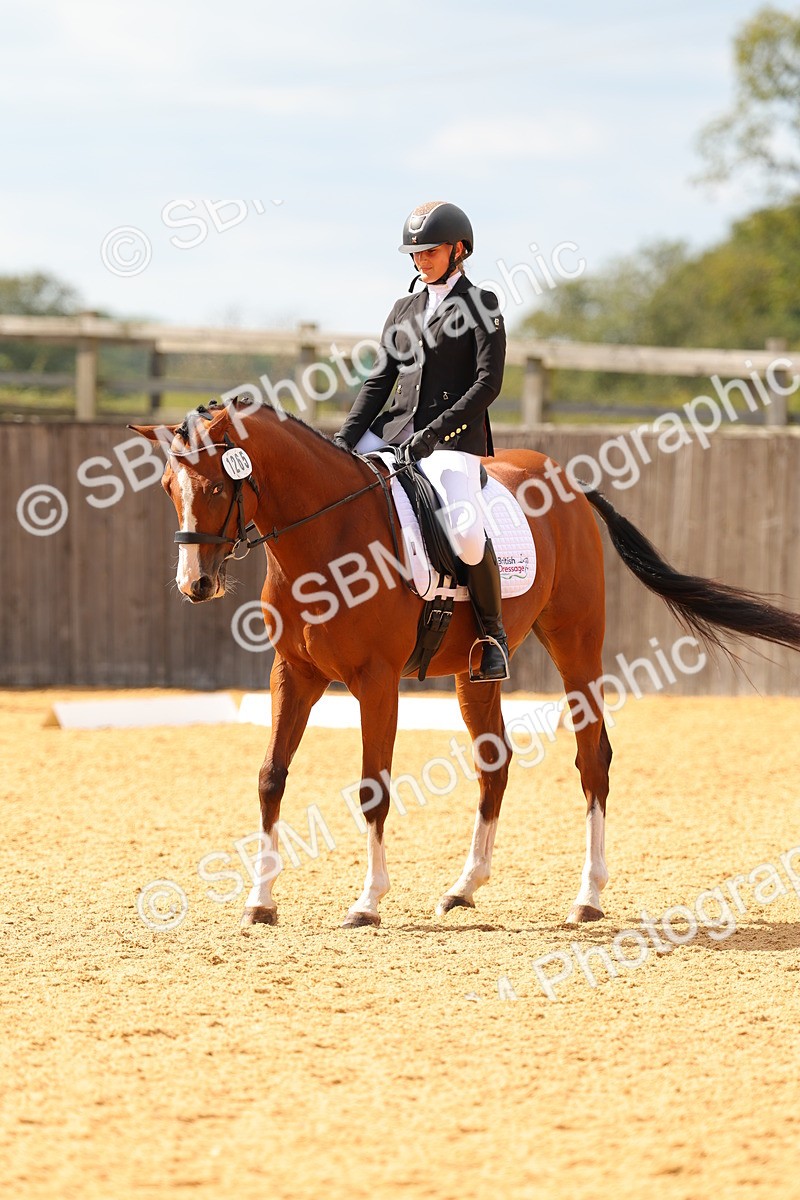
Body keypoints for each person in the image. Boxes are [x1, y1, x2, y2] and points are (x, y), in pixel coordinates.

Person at [334, 200, 509, 681]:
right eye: (415, 253)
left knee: (469, 535)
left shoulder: (483, 304)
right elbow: (379, 382)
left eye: (430, 251)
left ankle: (493, 635)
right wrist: (344, 442)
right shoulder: (403, 308)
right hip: (393, 433)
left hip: (451, 443)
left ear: (458, 250)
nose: (420, 260)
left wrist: (435, 433)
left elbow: (487, 384)